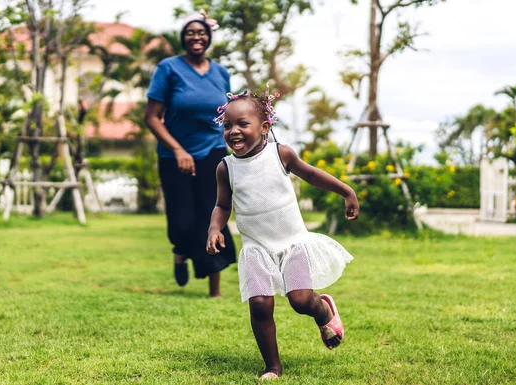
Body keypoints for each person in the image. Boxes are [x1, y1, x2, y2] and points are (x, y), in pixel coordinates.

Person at [206, 87, 359, 379]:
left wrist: (346, 191)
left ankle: (323, 311)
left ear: (264, 127)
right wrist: (215, 227)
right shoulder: (225, 168)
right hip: (255, 248)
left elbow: (312, 174)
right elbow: (222, 205)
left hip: (292, 244)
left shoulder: (281, 154)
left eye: (242, 124)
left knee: (301, 301)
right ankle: (272, 366)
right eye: (227, 126)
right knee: (260, 306)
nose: (234, 131)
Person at [145, 10, 236, 297]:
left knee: (213, 216)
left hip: (213, 152)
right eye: (189, 33)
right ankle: (181, 251)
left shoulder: (221, 73)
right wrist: (178, 149)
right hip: (175, 157)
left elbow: (226, 117)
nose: (196, 37)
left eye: (201, 33)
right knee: (183, 222)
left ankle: (215, 290)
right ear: (182, 38)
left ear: (208, 37)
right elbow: (152, 117)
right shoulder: (168, 69)